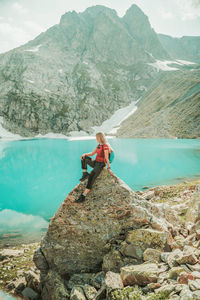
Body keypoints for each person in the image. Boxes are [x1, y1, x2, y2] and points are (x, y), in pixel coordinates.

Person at [75, 132, 114, 203]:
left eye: (97, 138)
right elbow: (92, 153)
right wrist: (85, 154)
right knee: (84, 158)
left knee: (91, 178)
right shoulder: (99, 145)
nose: (96, 139)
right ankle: (85, 173)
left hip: (100, 165)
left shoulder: (105, 146)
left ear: (100, 138)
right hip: (95, 162)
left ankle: (83, 196)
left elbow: (106, 158)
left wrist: (109, 168)